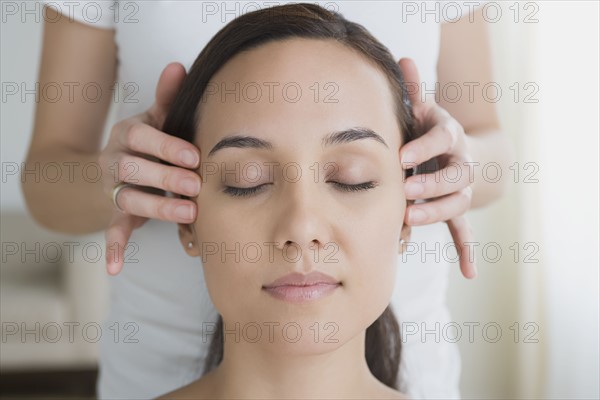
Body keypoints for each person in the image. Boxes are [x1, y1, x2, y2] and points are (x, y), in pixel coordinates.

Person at [22, 1, 510, 398]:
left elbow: (489, 146)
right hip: (156, 354)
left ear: (406, 216)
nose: (302, 224)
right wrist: (120, 179)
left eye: (352, 178)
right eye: (247, 180)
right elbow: (46, 179)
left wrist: (457, 164)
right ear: (187, 221)